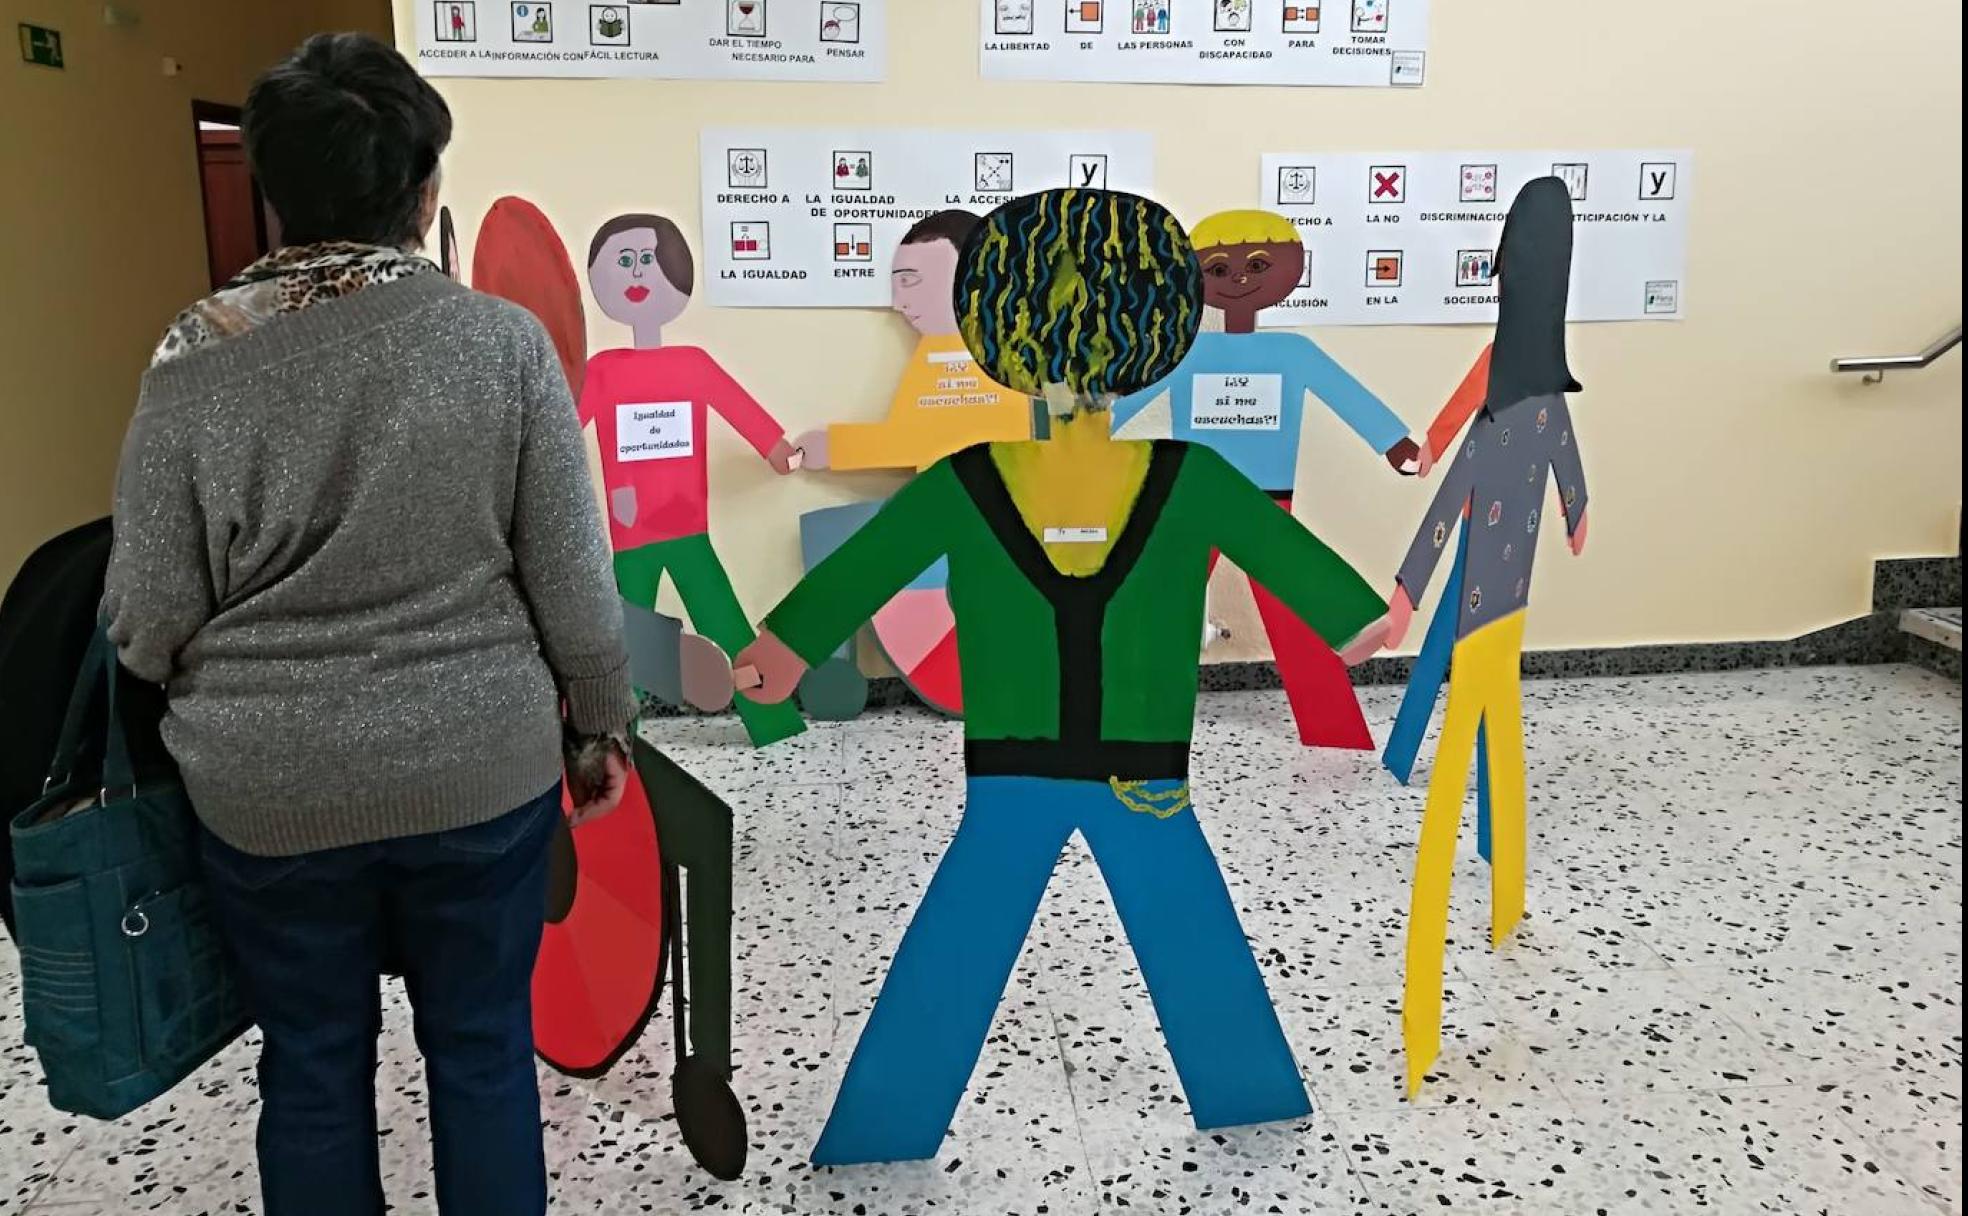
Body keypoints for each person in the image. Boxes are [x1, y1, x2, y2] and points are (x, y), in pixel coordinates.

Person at [737, 189, 1385, 1165]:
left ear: (999, 330)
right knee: (1182, 921)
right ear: (1159, 329)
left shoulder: (970, 476)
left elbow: (854, 576)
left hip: (1015, 765)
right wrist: (1358, 619)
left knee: (966, 932)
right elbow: (1320, 585)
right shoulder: (1189, 474)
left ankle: (885, 1127)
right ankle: (1247, 1095)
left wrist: (777, 653)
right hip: (1141, 763)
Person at [104, 34, 634, 1216]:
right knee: (485, 1051)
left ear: (273, 195)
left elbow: (145, 615)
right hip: (477, 775)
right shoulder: (504, 346)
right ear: (426, 190)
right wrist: (598, 728)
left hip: (268, 794)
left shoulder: (192, 359)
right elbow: (574, 585)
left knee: (311, 1065)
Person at [1362, 177, 1591, 1096]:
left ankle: (1426, 1029)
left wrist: (1405, 594)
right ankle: (1452, 987)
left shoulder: (1516, 409)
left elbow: (1451, 505)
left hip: (1491, 612)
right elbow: (1552, 475)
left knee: (1463, 777)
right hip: (1506, 611)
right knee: (1481, 745)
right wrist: (1575, 509)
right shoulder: (1531, 404)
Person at [1108, 209, 1422, 749]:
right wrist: (1081, 427)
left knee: (1294, 615)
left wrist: (1393, 442)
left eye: (1257, 265)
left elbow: (1344, 393)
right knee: (1165, 605)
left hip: (1267, 503)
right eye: (1220, 269)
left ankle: (1332, 727)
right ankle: (1137, 724)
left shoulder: (1290, 352)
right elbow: (1123, 405)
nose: (1240, 281)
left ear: (1287, 272)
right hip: (1193, 499)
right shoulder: (1185, 354)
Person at [578, 212, 805, 747]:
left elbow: (739, 407)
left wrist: (776, 450)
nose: (636, 275)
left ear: (676, 274)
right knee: (621, 636)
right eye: (623, 263)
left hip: (685, 520)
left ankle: (770, 718)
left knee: (722, 619)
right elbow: (563, 429)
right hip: (630, 527)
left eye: (648, 261)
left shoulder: (691, 364)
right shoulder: (603, 370)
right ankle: (614, 737)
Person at [795, 210, 1029, 474]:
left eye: (909, 280)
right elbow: (915, 438)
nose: (898, 303)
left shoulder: (1016, 349)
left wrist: (834, 448)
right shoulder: (941, 351)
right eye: (897, 284)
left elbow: (909, 442)